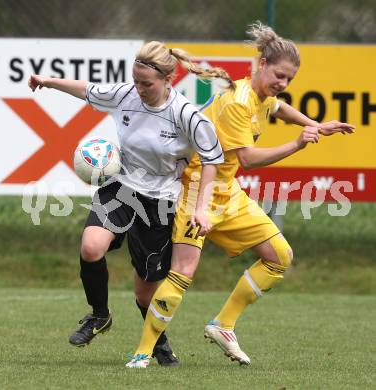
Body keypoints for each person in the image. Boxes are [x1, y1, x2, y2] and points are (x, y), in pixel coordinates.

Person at [126, 23, 355, 368]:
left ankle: (224, 324)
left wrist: (315, 124)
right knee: (182, 273)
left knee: (279, 256)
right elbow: (247, 158)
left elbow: (278, 108)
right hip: (196, 191)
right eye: (279, 75)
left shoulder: (260, 96)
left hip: (228, 193)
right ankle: (142, 353)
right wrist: (296, 143)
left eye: (289, 80)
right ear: (261, 63)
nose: (283, 84)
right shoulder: (238, 102)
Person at [28, 41, 231, 366]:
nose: (139, 89)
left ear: (168, 79)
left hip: (159, 202)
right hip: (120, 189)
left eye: (146, 84)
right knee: (91, 246)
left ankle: (159, 342)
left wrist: (201, 206)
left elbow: (212, 159)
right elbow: (88, 90)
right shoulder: (126, 95)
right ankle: (99, 315)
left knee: (144, 291)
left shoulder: (185, 115)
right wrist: (48, 82)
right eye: (136, 81)